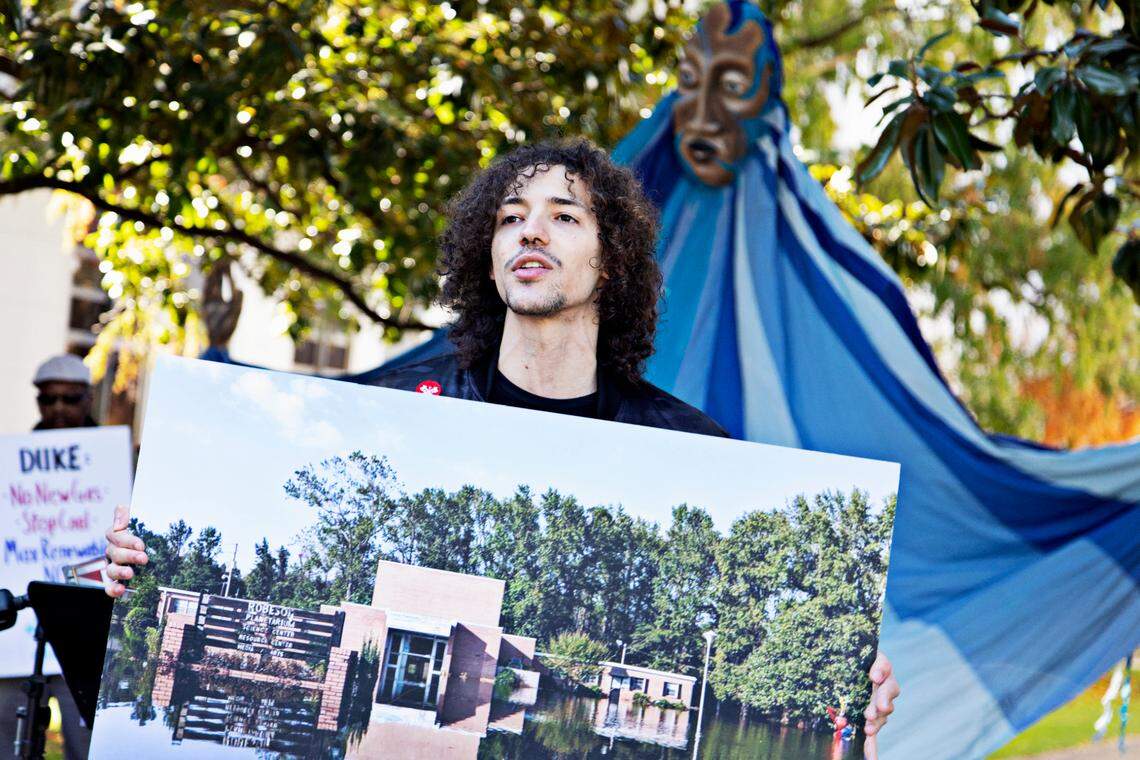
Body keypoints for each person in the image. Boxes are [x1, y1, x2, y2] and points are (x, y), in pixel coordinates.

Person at [103, 139, 900, 750]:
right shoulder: (392, 408)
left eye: (564, 214)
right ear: (485, 254)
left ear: (611, 257)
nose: (531, 229)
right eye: (511, 215)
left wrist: (849, 682)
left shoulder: (689, 445)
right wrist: (135, 574)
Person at [0, 355, 96, 759]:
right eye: (48, 399)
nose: (58, 409)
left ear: (87, 399)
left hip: (85, 628)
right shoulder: (12, 462)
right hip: (16, 635)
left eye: (69, 399)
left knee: (86, 743)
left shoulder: (115, 458)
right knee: (6, 734)